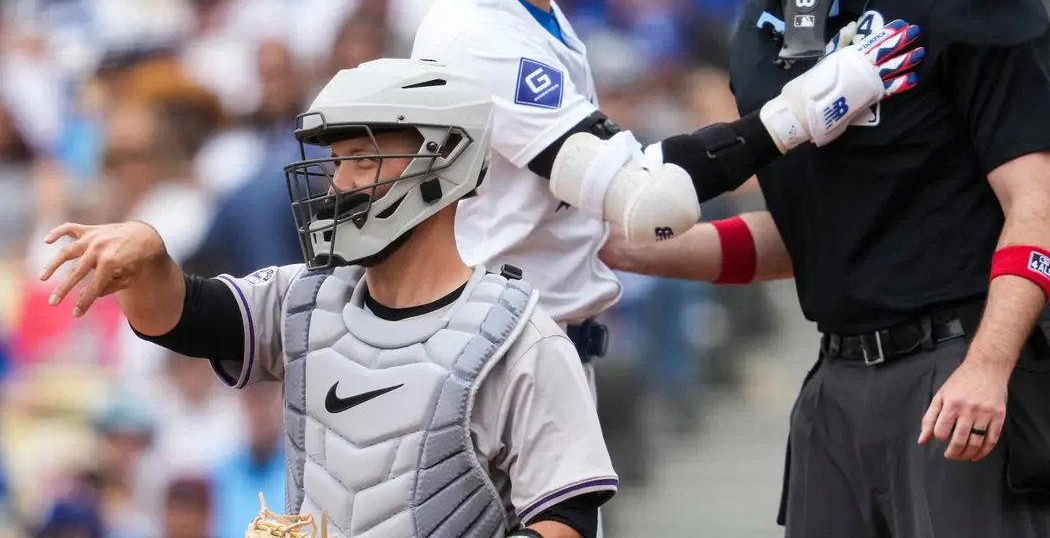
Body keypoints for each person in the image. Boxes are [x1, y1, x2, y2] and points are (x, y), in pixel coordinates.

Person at [601, 0, 1050, 537]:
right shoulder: (761, 23)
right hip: (835, 378)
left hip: (952, 361)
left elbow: (1038, 206)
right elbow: (807, 229)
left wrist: (989, 365)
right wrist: (638, 254)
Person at [411, 0, 926, 373]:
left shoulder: (526, 12)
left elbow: (614, 220)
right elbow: (649, 203)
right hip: (496, 361)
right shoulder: (480, 36)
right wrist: (798, 115)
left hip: (523, 347)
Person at [40, 58, 618, 538]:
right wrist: (149, 260)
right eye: (337, 162)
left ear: (446, 160)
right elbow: (185, 318)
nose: (339, 184)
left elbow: (567, 520)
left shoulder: (520, 336)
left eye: (363, 160)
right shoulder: (305, 298)